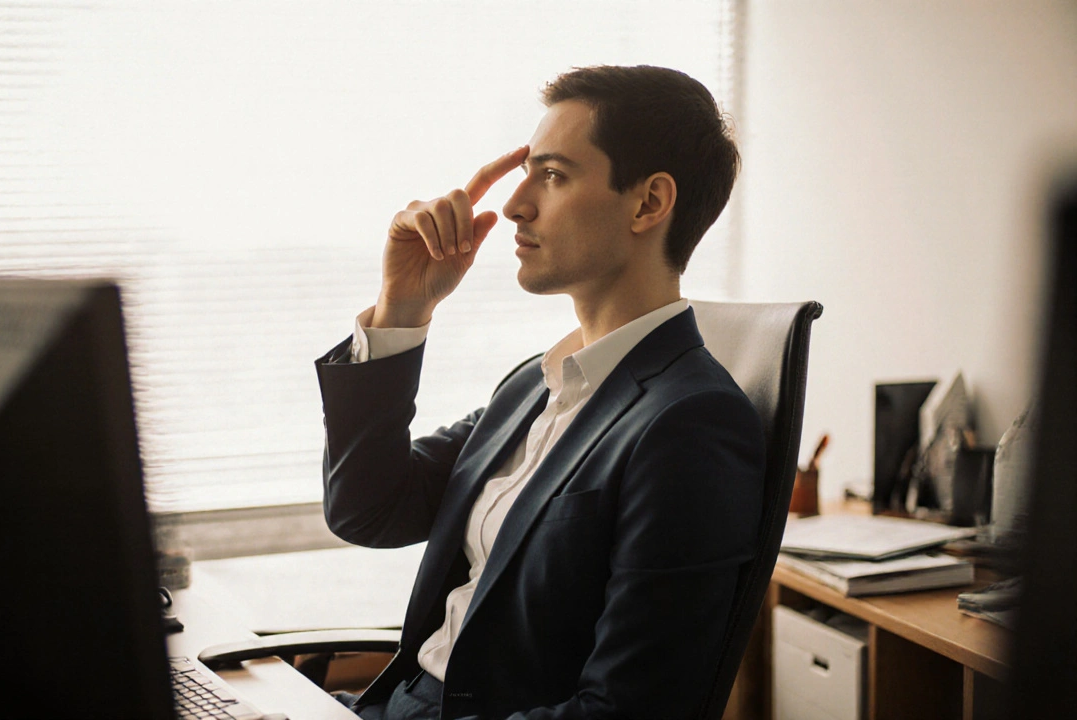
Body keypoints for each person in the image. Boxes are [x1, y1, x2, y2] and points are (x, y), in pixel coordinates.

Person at [314, 65, 764, 720]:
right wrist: (401, 309)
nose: (515, 206)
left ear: (648, 203)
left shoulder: (691, 423)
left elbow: (626, 712)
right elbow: (368, 510)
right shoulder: (537, 383)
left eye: (552, 175)